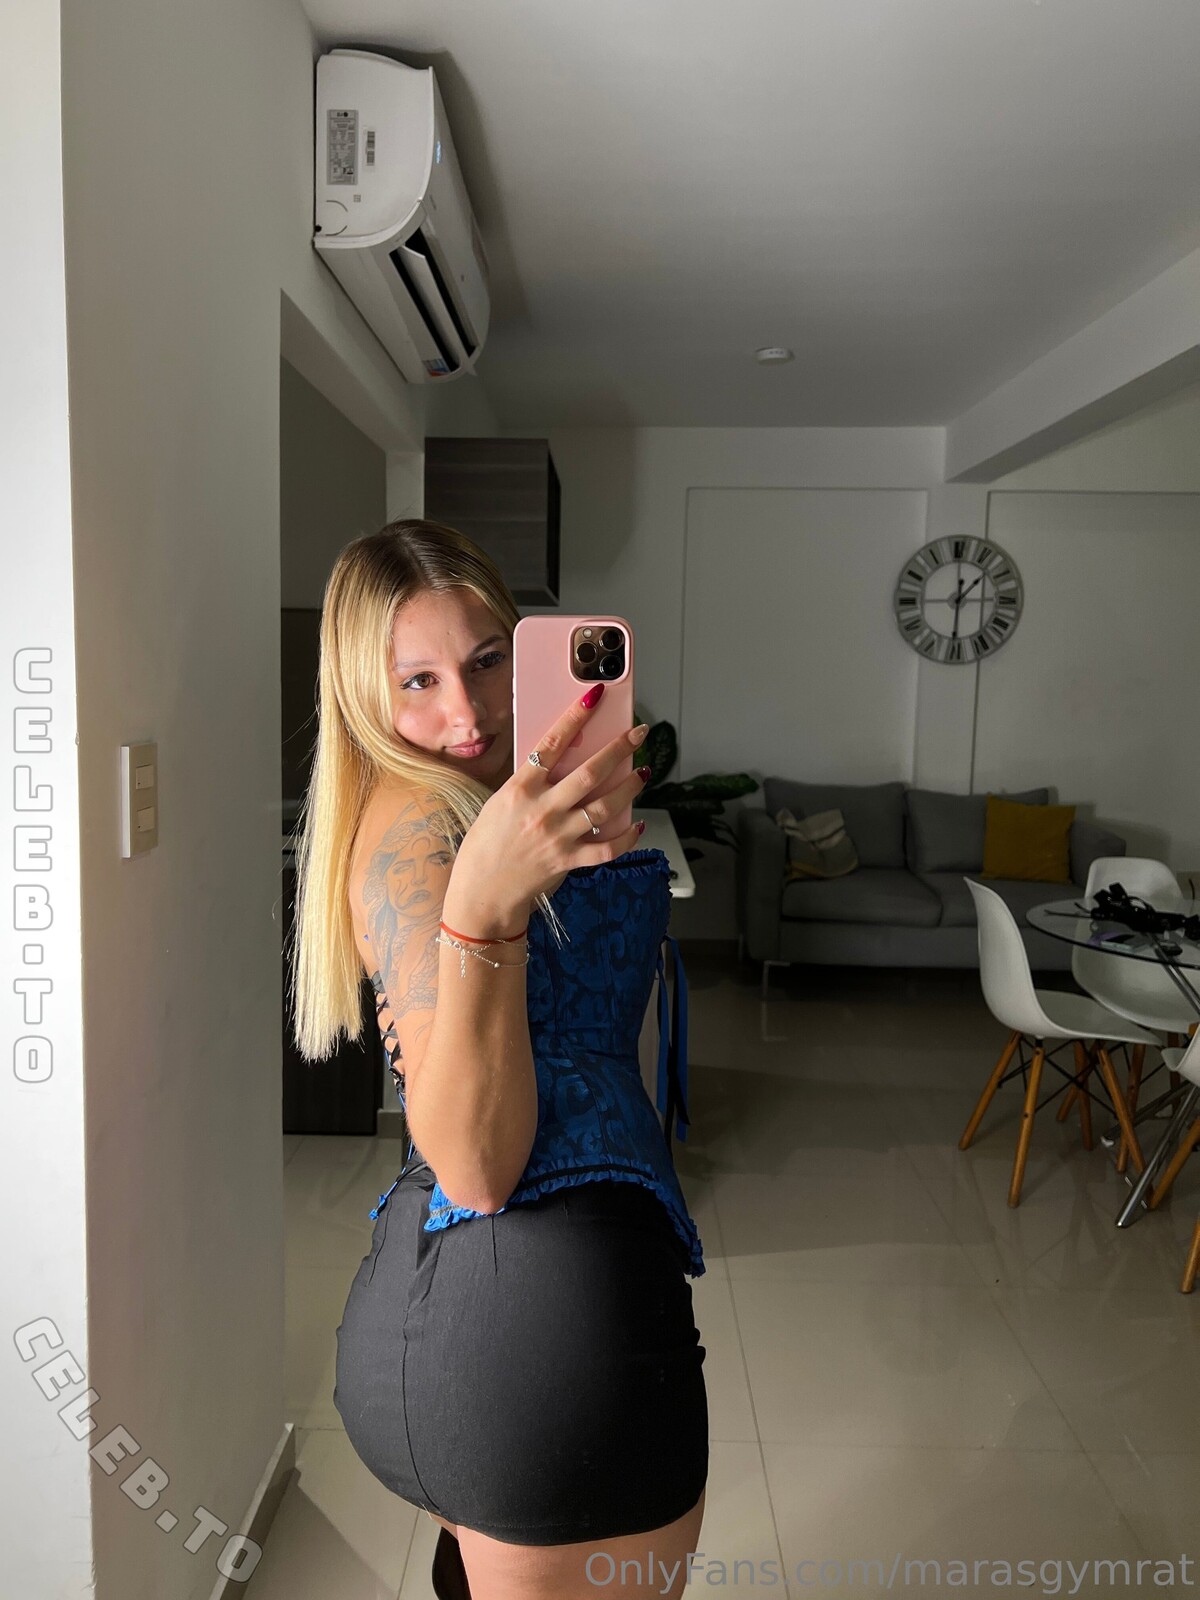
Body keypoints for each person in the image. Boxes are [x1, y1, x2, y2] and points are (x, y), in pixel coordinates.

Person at [288, 519, 708, 1599]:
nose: (466, 714)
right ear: (363, 696)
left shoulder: (490, 801)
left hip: (489, 1325)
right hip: (531, 1329)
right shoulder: (419, 833)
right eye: (417, 682)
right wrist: (484, 907)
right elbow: (477, 1167)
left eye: (483, 662)